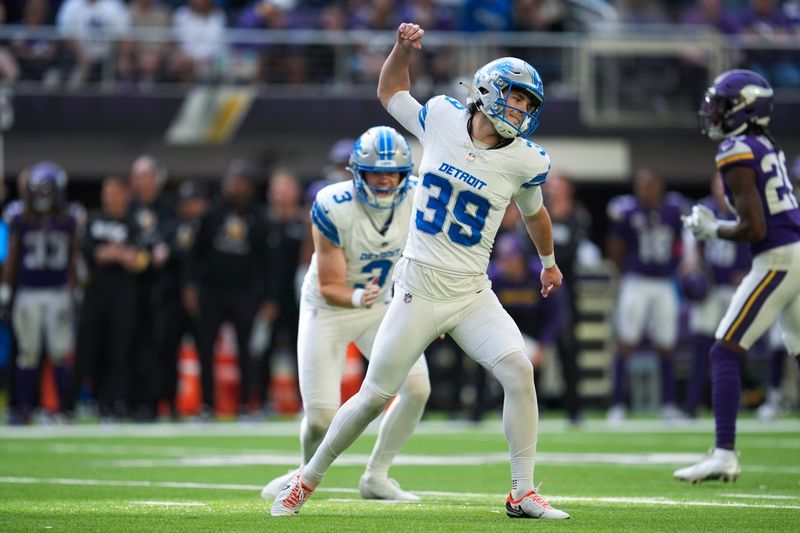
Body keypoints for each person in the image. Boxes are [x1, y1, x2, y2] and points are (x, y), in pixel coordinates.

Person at [272, 22, 569, 520]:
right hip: (417, 289)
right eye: (516, 98)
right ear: (490, 92)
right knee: (373, 396)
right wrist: (401, 50)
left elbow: (535, 212)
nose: (521, 110)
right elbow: (390, 90)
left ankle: (521, 493)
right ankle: (305, 481)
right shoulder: (442, 119)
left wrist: (548, 263)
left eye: (528, 104)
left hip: (472, 292)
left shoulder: (525, 160)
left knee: (518, 371)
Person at [261, 126, 430, 502]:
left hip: (381, 304)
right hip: (331, 307)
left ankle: (377, 476)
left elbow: (429, 258)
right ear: (357, 172)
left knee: (417, 388)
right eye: (376, 172)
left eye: (394, 173)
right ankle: (303, 475)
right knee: (321, 418)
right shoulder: (332, 203)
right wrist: (358, 298)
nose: (386, 181)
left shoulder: (420, 196)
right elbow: (328, 285)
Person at [675, 69, 800, 483]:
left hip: (778, 257)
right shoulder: (765, 143)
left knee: (724, 350)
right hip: (792, 252)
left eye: (722, 105)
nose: (713, 112)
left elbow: (754, 228)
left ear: (745, 109)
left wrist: (712, 229)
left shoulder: (735, 148)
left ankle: (724, 453)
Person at [605, 168, 688, 424]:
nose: (645, 191)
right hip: (637, 280)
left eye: (649, 185)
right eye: (640, 186)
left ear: (659, 186)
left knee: (666, 344)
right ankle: (618, 404)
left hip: (664, 282)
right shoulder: (628, 211)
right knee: (626, 341)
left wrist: (676, 266)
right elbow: (615, 247)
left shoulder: (674, 208)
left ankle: (668, 405)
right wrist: (626, 271)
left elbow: (683, 243)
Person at [1, 162, 78, 424]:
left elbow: (73, 257)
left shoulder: (69, 219)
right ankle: (25, 407)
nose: (43, 196)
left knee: (59, 351)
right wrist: (6, 288)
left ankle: (62, 408)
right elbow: (11, 257)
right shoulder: (20, 218)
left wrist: (74, 287)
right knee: (28, 352)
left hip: (57, 291)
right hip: (29, 291)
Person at [682, 173, 750, 418]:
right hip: (709, 289)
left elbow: (756, 240)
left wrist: (749, 272)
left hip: (735, 289)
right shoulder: (704, 210)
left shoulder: (745, 209)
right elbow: (690, 250)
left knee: (735, 347)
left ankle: (734, 401)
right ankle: (693, 403)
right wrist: (694, 269)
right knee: (701, 346)